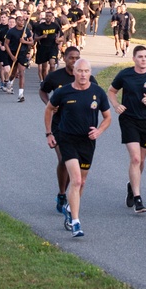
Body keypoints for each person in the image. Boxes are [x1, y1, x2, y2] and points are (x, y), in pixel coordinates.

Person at [44, 58, 111, 238]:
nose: (83, 74)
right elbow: (49, 109)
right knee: (76, 180)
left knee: (82, 181)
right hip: (67, 139)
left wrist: (99, 131)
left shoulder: (97, 92)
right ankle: (75, 222)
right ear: (74, 72)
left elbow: (107, 117)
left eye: (86, 71)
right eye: (79, 71)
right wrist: (49, 133)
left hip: (87, 142)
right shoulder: (64, 92)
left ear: (90, 73)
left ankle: (69, 207)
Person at [108, 45, 146, 214]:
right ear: (134, 58)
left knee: (141, 161)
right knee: (135, 158)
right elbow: (112, 91)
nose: (143, 59)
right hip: (128, 119)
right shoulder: (125, 74)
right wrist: (116, 105)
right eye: (140, 56)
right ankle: (138, 198)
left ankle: (131, 185)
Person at [39, 46, 98, 215]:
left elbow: (96, 99)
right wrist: (49, 104)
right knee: (64, 159)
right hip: (60, 127)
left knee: (77, 167)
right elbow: (43, 91)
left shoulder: (90, 79)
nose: (73, 61)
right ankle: (62, 194)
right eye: (71, 58)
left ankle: (71, 194)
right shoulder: (55, 77)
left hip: (81, 130)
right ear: (64, 58)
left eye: (77, 57)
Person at [4, 13, 34, 102]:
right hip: (13, 53)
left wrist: (24, 41)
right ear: (16, 22)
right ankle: (9, 82)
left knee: (21, 73)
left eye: (23, 20)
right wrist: (12, 56)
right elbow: (6, 44)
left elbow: (31, 42)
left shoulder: (26, 31)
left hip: (22, 54)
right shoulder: (11, 31)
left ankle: (21, 94)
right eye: (19, 20)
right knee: (13, 73)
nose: (21, 22)